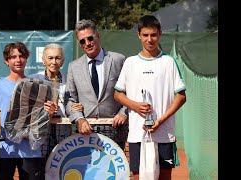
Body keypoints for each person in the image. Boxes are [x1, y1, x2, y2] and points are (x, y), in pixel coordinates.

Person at [114, 15, 187, 180]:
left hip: (164, 133)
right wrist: (134, 105)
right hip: (137, 134)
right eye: (145, 35)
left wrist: (160, 121)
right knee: (137, 176)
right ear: (139, 35)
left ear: (159, 34)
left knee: (164, 176)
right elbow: (117, 94)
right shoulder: (130, 62)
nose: (150, 39)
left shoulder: (169, 62)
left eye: (153, 35)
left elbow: (181, 97)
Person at [0, 41, 56, 180]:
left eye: (21, 56)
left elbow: (45, 113)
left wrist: (50, 112)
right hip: (5, 151)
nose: (18, 60)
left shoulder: (38, 85)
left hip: (31, 150)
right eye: (13, 57)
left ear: (26, 58)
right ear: (6, 61)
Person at [64, 19, 128, 147]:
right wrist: (79, 119)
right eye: (82, 41)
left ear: (97, 36)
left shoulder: (118, 60)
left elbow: (131, 92)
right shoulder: (74, 67)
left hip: (115, 131)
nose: (87, 43)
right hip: (85, 134)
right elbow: (70, 100)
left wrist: (124, 112)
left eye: (90, 38)